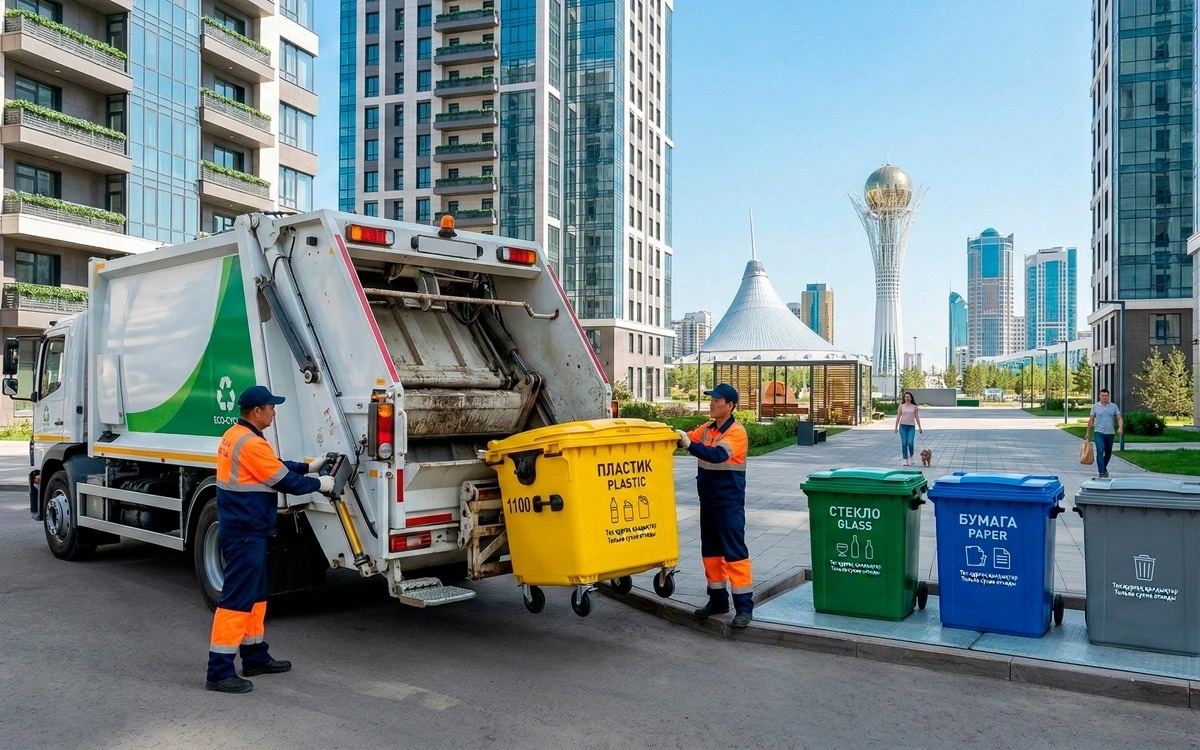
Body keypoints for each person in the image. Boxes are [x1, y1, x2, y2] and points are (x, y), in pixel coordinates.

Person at [205, 385, 335, 694]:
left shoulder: (239, 436)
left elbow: (273, 466)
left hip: (248, 530)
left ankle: (254, 656)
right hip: (245, 533)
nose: (274, 412)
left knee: (257, 595)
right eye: (271, 407)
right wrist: (320, 483)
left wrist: (308, 466)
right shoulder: (249, 442)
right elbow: (282, 480)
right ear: (257, 412)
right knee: (236, 600)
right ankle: (219, 671)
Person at [676, 383, 753, 628]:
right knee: (710, 553)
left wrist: (688, 445)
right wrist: (671, 436)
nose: (712, 403)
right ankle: (718, 600)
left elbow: (717, 455)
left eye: (717, 400)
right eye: (711, 399)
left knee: (734, 554)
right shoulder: (708, 429)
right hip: (708, 501)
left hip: (728, 502)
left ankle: (743, 608)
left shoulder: (736, 433)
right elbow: (687, 440)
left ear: (730, 406)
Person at [1086, 388, 1123, 478]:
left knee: (1108, 453)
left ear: (1108, 396)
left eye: (1106, 396)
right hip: (1099, 432)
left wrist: (1120, 427)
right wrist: (1088, 433)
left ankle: (1104, 468)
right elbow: (1091, 420)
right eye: (1102, 396)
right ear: (1099, 396)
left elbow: (1119, 418)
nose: (1104, 397)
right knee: (1100, 451)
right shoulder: (1095, 407)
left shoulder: (1113, 406)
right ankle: (1101, 472)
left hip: (1110, 433)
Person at [893, 391, 923, 466]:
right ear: (904, 398)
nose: (907, 398)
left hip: (911, 427)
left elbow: (916, 417)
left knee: (910, 442)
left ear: (911, 398)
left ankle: (911, 456)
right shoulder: (901, 406)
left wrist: (920, 427)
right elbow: (898, 417)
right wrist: (896, 427)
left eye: (908, 397)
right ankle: (905, 459)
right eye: (905, 397)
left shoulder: (914, 407)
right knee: (904, 443)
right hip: (903, 426)